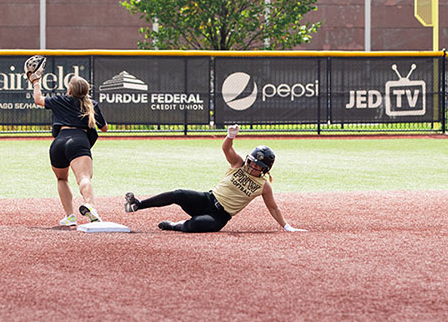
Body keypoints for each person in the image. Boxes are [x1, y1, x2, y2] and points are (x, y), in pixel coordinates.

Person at [123, 125, 306, 233]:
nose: (254, 166)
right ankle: (138, 204)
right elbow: (227, 149)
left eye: (259, 165)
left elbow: (273, 207)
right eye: (253, 161)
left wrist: (287, 227)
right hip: (208, 199)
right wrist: (230, 136)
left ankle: (174, 225)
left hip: (220, 215)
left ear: (265, 169)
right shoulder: (238, 164)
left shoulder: (263, 186)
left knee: (196, 225)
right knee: (178, 194)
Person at [31, 73, 108, 226]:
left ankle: (70, 216)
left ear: (70, 91)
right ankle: (90, 206)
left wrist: (36, 82)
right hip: (78, 141)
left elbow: (38, 100)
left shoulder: (60, 100)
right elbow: (104, 128)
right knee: (84, 177)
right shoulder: (91, 104)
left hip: (58, 142)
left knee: (61, 179)